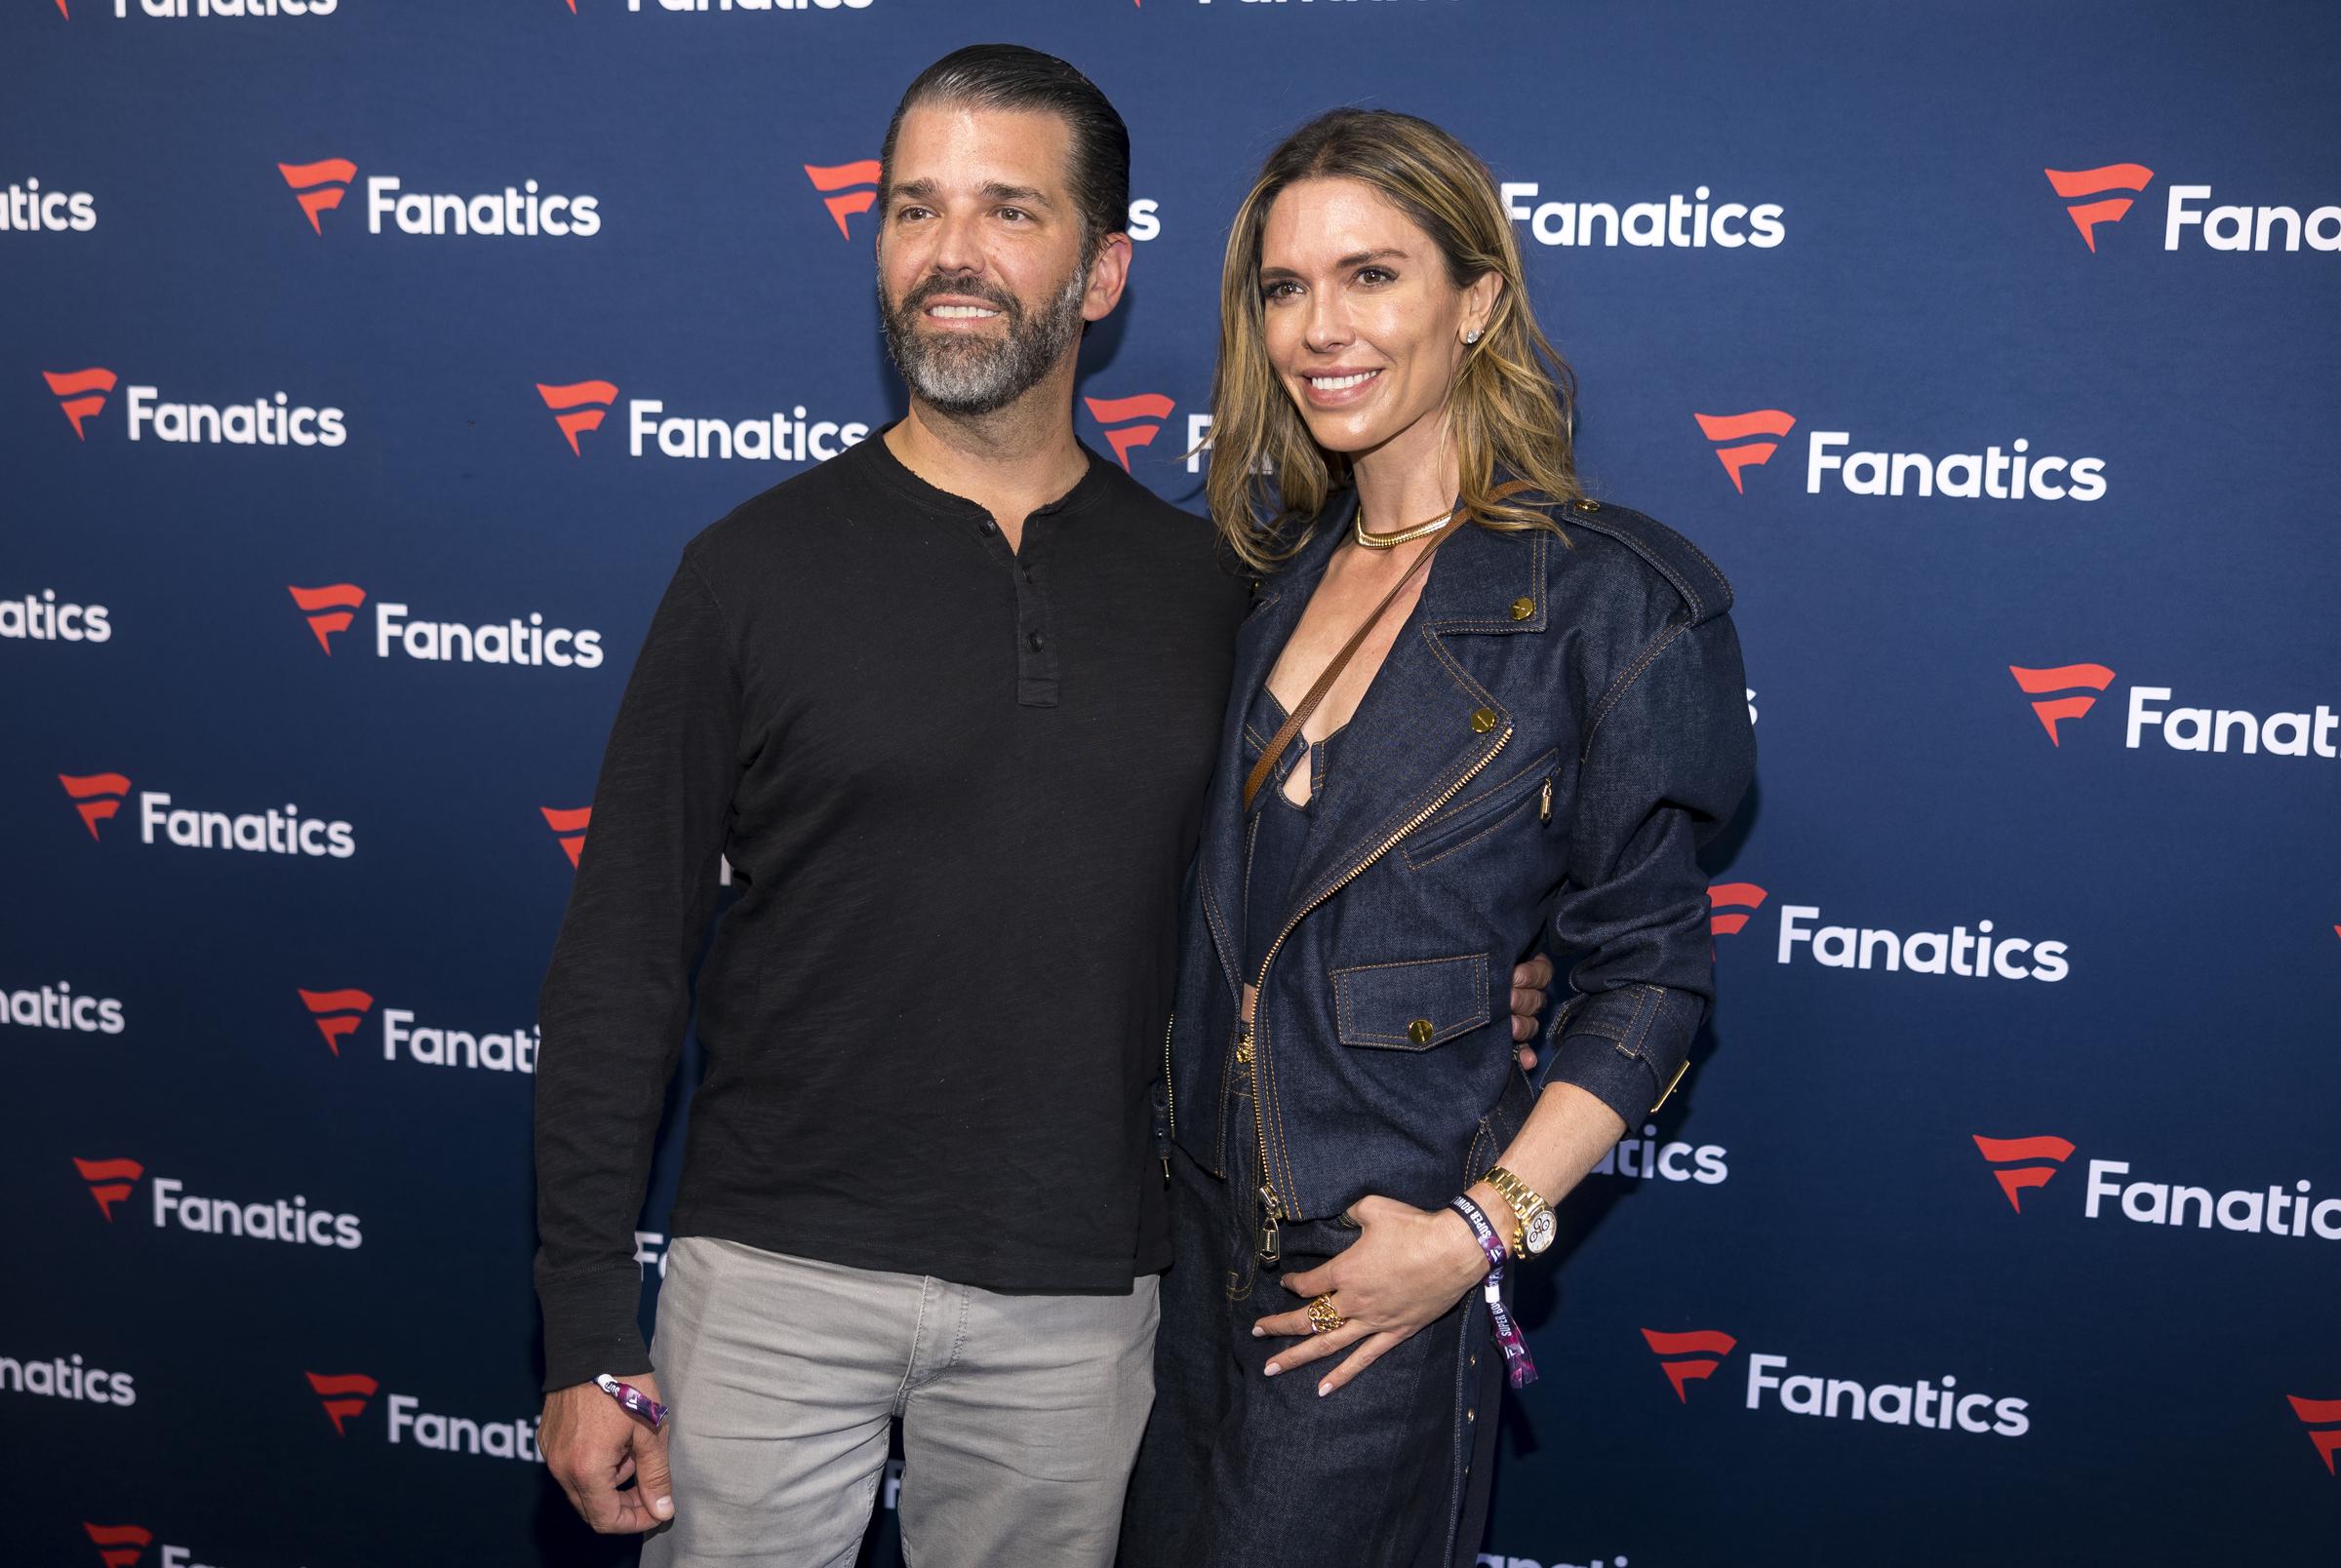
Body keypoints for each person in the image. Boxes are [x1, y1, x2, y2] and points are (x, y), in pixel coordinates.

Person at [528, 50, 1551, 1568]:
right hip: (768, 1282)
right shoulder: (749, 571)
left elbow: (1300, 899)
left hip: (1083, 1300)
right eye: (913, 208)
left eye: (1009, 210)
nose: (951, 252)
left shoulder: (1220, 596)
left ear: (1103, 271)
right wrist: (580, 1335)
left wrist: (1482, 986)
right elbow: (618, 963)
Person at [1121, 108, 1755, 1568]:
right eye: (1284, 289)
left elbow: (1651, 977)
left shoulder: (1610, 605)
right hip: (1171, 1267)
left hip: (1367, 1279)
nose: (1319, 329)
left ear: (1476, 303)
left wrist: (1475, 1234)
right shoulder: (1240, 577)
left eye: (1373, 276)